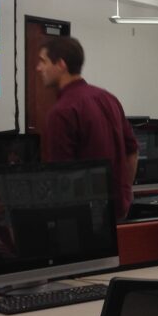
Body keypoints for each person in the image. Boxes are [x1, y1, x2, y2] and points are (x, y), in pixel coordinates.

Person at [37, 36, 138, 220]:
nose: (38, 68)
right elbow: (131, 152)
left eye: (43, 61)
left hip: (82, 218)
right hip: (116, 212)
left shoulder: (61, 111)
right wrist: (124, 193)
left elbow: (61, 177)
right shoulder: (109, 99)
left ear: (61, 64)